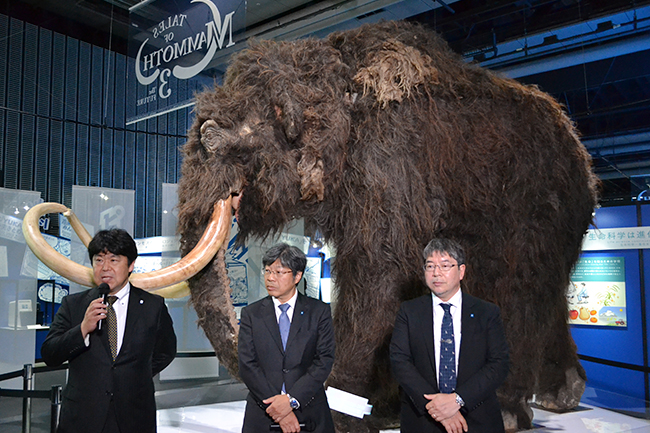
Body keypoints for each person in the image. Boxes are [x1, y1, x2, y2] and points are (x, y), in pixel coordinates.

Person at [41, 228, 177, 433]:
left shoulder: (152, 306)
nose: (105, 267)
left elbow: (165, 352)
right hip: (83, 417)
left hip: (134, 416)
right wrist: (83, 329)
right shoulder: (74, 304)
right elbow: (50, 354)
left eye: (114, 260)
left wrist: (133, 376)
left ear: (131, 265)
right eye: (98, 260)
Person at [390, 238, 509, 433]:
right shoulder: (409, 312)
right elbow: (399, 360)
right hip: (423, 420)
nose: (436, 273)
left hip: (477, 419)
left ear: (461, 271)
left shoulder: (486, 313)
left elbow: (499, 363)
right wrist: (438, 409)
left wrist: (458, 400)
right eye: (430, 266)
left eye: (445, 266)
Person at [238, 243, 335, 433]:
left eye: (279, 272)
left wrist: (292, 400)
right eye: (267, 271)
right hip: (263, 412)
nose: (270, 278)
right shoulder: (251, 313)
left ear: (297, 276)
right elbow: (247, 364)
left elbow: (323, 360)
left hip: (309, 410)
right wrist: (280, 411)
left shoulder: (319, 312)